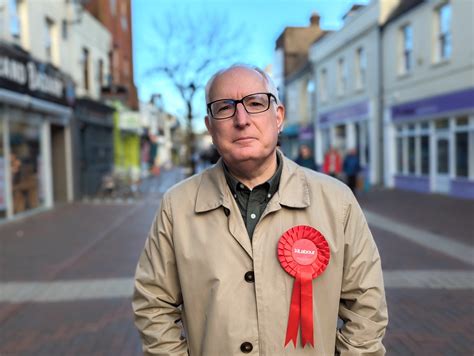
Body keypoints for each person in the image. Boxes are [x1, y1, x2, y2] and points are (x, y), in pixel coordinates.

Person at [133, 64, 388, 355]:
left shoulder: (337, 201)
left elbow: (367, 305)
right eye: (225, 108)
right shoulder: (176, 207)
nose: (241, 119)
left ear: (278, 116)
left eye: (255, 103)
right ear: (210, 127)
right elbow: (153, 303)